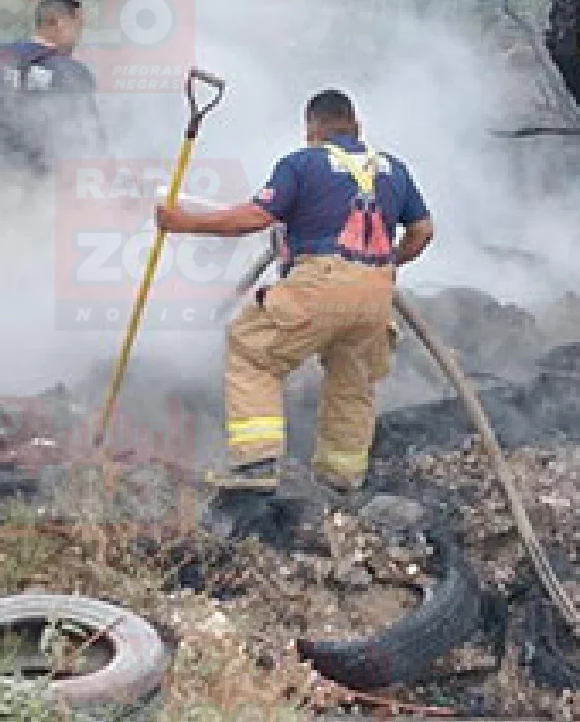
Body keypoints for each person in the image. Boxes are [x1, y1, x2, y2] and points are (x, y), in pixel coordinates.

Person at [154, 90, 435, 493]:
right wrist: (388, 265)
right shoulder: (394, 168)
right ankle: (342, 477)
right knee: (353, 378)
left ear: (312, 127)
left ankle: (255, 465)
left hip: (320, 278)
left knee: (252, 349)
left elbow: (256, 216)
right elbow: (423, 231)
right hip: (376, 291)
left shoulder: (302, 162)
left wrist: (184, 223)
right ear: (355, 124)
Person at [0, 0, 104, 180]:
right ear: (60, 23)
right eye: (78, 27)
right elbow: (90, 141)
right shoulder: (72, 72)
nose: (79, 37)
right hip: (46, 187)